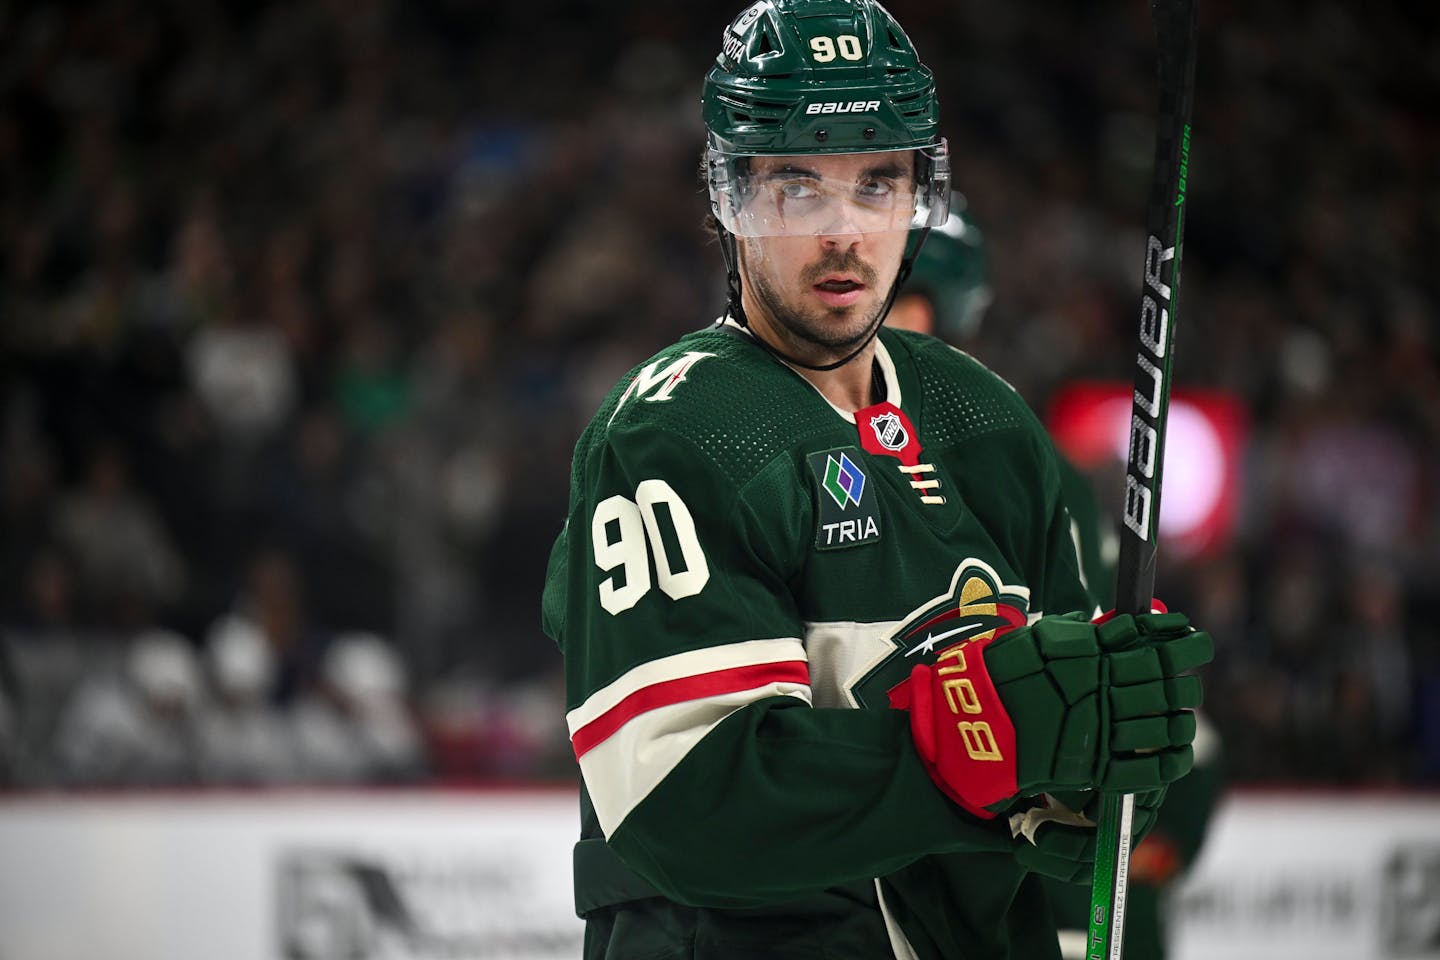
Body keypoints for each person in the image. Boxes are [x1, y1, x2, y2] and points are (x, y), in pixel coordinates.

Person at [541, 2, 1212, 958]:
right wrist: (969, 744)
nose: (844, 232)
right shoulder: (673, 432)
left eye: (878, 184)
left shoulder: (984, 421)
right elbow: (681, 801)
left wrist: (1103, 764)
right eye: (798, 188)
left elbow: (1061, 815)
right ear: (730, 197)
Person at [888, 207, 1226, 959]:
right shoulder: (827, 453)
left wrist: (1136, 829)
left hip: (1037, 887)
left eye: (900, 300)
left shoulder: (1003, 460)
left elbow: (1124, 691)